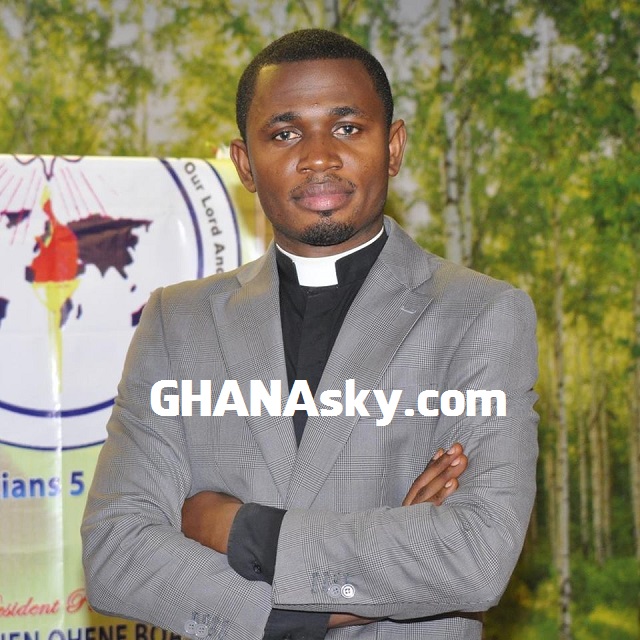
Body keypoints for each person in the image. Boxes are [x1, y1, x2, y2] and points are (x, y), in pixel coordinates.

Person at [81, 28, 538, 640]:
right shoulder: (177, 320)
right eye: (285, 133)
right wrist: (372, 581)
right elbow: (117, 556)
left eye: (347, 127)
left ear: (393, 147)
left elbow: (475, 559)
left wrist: (239, 529)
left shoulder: (480, 313)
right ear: (245, 163)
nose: (319, 156)